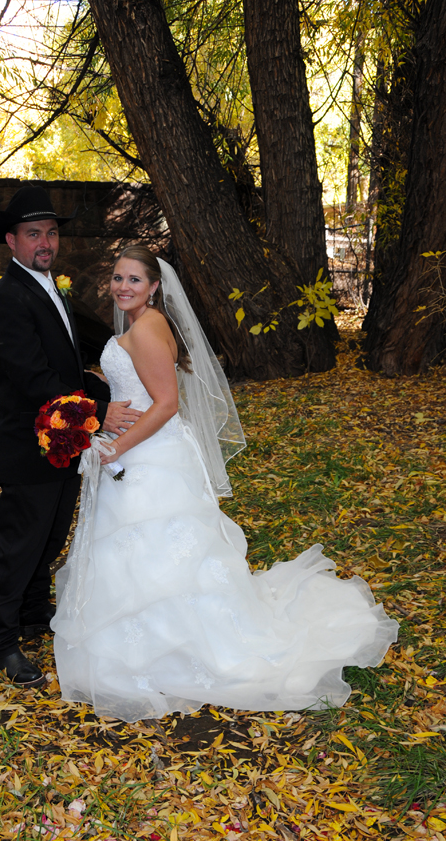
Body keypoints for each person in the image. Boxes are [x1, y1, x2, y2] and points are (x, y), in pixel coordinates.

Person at [51, 246, 399, 722]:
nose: (122, 287)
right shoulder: (143, 324)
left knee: (157, 547)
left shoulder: (146, 328)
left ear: (154, 286)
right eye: (117, 278)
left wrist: (117, 447)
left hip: (146, 455)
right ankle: (153, 643)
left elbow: (166, 404)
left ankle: (174, 650)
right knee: (144, 551)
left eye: (134, 279)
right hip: (144, 451)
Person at [0, 186, 142, 688]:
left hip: (64, 443)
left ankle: (32, 615)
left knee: (48, 540)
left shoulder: (51, 287)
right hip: (29, 447)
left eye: (50, 233)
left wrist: (106, 387)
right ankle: (0, 644)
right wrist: (100, 411)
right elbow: (35, 380)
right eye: (33, 234)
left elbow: (66, 370)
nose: (45, 242)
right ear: (11, 241)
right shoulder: (6, 300)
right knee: (19, 545)